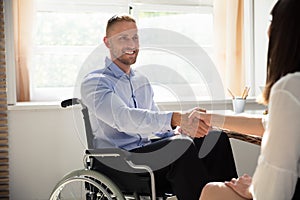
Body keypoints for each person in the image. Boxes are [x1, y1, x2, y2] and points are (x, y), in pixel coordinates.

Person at [81, 14, 238, 200]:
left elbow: (154, 120)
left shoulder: (141, 81)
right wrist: (176, 118)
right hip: (118, 161)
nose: (131, 44)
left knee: (214, 138)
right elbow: (124, 119)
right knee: (180, 147)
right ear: (107, 42)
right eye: (123, 38)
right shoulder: (95, 83)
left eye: (135, 37)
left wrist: (182, 129)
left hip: (146, 152)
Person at [194, 0, 300, 199]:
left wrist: (252, 188)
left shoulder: (290, 87)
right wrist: (212, 119)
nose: (268, 31)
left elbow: (274, 190)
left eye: (271, 20)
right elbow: (270, 124)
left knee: (212, 191)